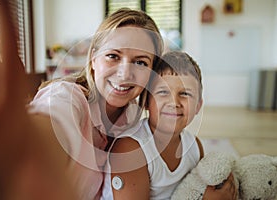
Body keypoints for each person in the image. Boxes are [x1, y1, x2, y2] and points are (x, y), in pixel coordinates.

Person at [28, 7, 164, 200]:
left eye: (140, 62)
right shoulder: (67, 97)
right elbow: (49, 126)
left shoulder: (132, 115)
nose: (125, 74)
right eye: (113, 56)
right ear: (93, 58)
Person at [102, 51, 237, 200]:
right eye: (163, 92)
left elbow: (194, 190)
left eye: (185, 94)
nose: (174, 102)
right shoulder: (130, 149)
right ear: (146, 101)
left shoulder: (194, 147)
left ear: (198, 106)